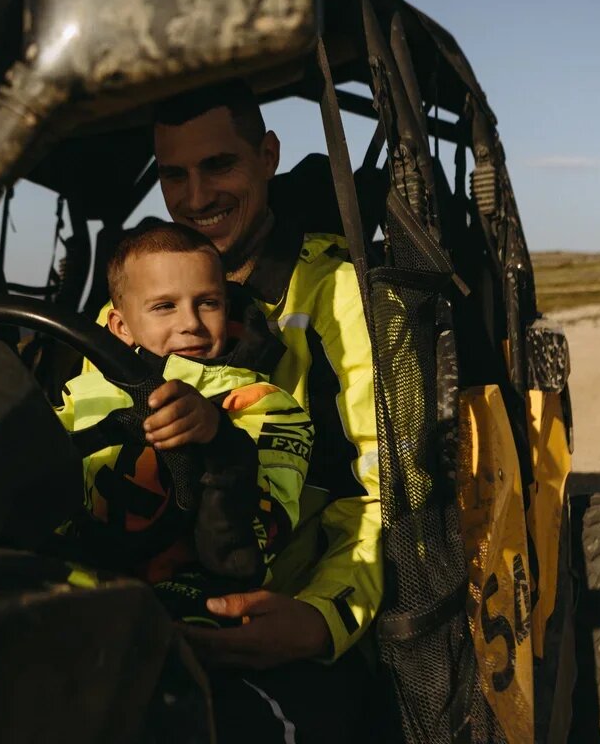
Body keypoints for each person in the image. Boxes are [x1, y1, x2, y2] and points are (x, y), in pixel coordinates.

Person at [106, 80, 388, 741]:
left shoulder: (339, 294)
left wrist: (321, 620)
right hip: (137, 616)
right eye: (174, 175)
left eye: (220, 165)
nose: (197, 197)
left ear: (267, 155)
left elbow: (386, 493)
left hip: (279, 616)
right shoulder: (129, 306)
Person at [56, 223, 313, 615]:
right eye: (165, 306)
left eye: (208, 303)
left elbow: (243, 558)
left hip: (196, 604)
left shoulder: (262, 405)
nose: (191, 323)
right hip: (77, 587)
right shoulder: (83, 395)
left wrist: (219, 443)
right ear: (121, 328)